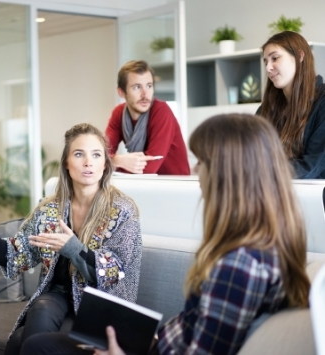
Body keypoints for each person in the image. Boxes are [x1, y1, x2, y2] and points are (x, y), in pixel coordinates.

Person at [22, 114, 310, 355]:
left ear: (228, 174)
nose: (196, 171)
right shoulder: (262, 247)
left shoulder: (239, 266)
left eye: (202, 162)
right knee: (36, 342)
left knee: (38, 347)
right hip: (158, 343)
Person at [0, 123, 142, 355]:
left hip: (102, 305)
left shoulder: (122, 210)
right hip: (58, 295)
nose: (88, 162)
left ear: (105, 165)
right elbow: (17, 254)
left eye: (96, 155)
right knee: (40, 308)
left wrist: (73, 248)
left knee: (22, 340)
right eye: (79, 154)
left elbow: (113, 271)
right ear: (67, 164)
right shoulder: (50, 209)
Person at [259, 31, 325, 178]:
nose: (268, 68)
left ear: (299, 56)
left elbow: (311, 166)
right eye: (265, 62)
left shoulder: (322, 103)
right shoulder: (266, 108)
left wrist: (260, 173)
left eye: (275, 58)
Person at [105, 60, 190, 175]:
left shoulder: (161, 111)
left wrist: (113, 163)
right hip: (143, 185)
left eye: (149, 86)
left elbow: (149, 168)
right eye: (137, 87)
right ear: (121, 92)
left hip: (174, 185)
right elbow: (101, 156)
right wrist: (117, 160)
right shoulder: (118, 113)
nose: (145, 94)